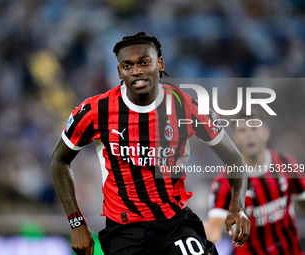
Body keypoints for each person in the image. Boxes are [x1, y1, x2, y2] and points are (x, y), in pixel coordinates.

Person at [50, 31, 250, 255]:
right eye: (128, 65)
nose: (137, 71)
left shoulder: (187, 107)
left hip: (176, 223)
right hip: (125, 230)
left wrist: (238, 207)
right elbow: (59, 160)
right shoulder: (96, 110)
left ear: (160, 63)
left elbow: (234, 159)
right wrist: (77, 223)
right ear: (119, 71)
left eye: (145, 62)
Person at [204, 110, 305, 255]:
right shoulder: (225, 181)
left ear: (266, 133)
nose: (249, 135)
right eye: (242, 130)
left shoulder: (286, 164)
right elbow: (214, 228)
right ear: (235, 138)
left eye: (254, 128)